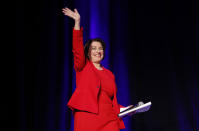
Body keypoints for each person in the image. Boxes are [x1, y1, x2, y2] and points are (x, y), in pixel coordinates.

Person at [62, 7, 131, 131]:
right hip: (87, 118)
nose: (98, 51)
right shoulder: (82, 66)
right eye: (93, 48)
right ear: (87, 53)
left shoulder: (110, 74)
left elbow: (111, 102)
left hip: (109, 120)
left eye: (100, 49)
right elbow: (77, 49)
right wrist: (77, 23)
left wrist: (126, 109)